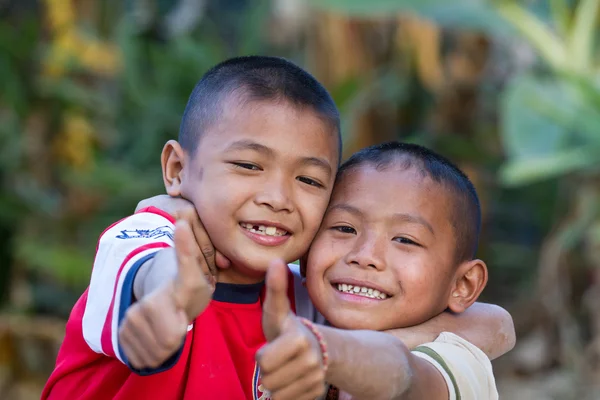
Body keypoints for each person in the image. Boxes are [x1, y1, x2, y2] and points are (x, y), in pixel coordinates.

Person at [42, 56, 513, 400]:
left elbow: (493, 325)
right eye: (248, 165)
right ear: (176, 169)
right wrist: (173, 295)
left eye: (308, 180)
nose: (278, 198)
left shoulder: (304, 299)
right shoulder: (148, 236)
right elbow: (147, 269)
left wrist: (363, 346)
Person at [257, 142, 505, 399]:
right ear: (307, 254)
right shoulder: (285, 299)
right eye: (344, 228)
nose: (365, 256)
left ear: (463, 285)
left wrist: (325, 350)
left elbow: (405, 376)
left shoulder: (459, 363)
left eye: (405, 240)